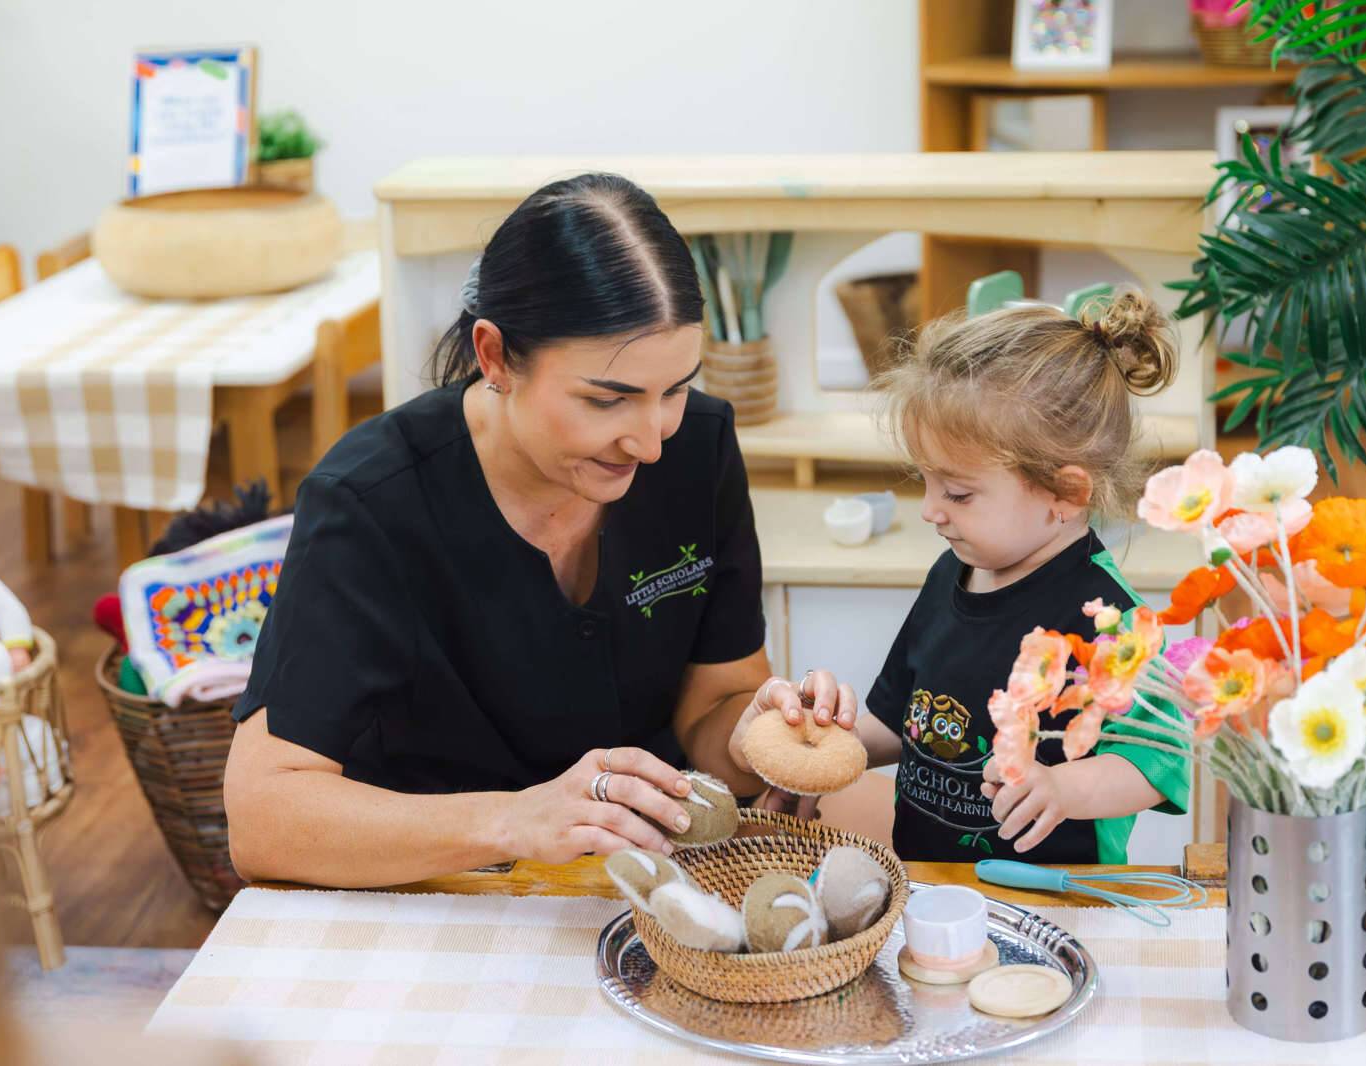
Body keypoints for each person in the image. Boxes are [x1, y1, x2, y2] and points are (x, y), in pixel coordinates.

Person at [223, 173, 856, 887]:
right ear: (493, 356)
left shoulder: (696, 448)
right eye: (606, 399)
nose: (649, 442)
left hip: (637, 888)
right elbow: (262, 817)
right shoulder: (370, 503)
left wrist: (754, 736)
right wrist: (516, 820)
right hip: (438, 891)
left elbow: (713, 707)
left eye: (675, 389)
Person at [847, 291, 1190, 863]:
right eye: (926, 482)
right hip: (935, 886)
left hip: (1057, 902)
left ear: (1067, 493)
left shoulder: (1110, 618)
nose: (931, 509)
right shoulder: (952, 573)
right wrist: (821, 752)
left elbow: (1158, 764)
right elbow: (896, 720)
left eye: (957, 492)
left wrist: (1062, 788)